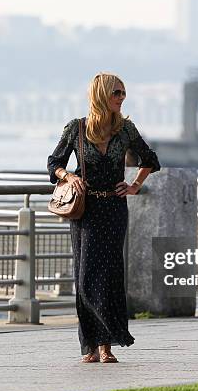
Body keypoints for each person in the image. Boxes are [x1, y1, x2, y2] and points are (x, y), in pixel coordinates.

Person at [47, 73, 160, 363]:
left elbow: (150, 160)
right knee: (84, 279)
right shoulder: (76, 129)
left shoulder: (126, 130)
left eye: (123, 93)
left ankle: (105, 345)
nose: (122, 98)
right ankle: (90, 345)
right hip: (84, 211)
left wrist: (134, 185)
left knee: (108, 276)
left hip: (113, 210)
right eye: (116, 93)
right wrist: (69, 176)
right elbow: (54, 163)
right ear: (101, 95)